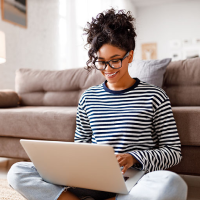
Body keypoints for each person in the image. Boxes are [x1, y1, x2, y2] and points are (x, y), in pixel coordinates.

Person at [7, 8, 187, 200]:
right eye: (101, 62)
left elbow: (173, 152)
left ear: (131, 56)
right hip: (92, 180)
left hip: (136, 181)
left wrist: (134, 157)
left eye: (115, 61)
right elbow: (80, 146)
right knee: (17, 171)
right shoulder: (88, 98)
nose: (107, 69)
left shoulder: (155, 96)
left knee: (171, 183)